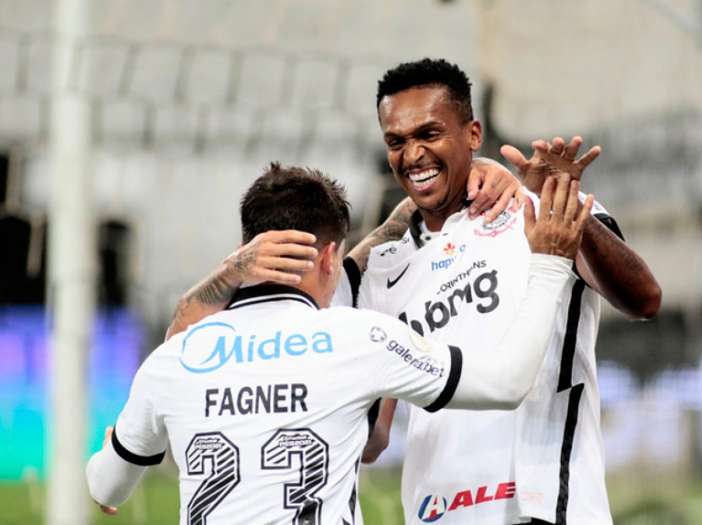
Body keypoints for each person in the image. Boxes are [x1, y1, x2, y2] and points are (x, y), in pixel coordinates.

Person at [166, 58, 662, 524]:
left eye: (429, 133)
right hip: (433, 510)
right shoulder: (381, 270)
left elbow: (644, 299)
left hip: (543, 505)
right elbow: (187, 346)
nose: (413, 154)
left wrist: (570, 208)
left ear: (473, 134)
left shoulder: (538, 216)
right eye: (396, 140)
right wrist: (234, 270)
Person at [86, 162, 594, 524]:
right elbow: (505, 384)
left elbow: (105, 488)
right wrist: (549, 261)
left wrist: (117, 448)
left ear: (245, 249)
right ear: (331, 258)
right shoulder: (360, 338)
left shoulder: (172, 361)